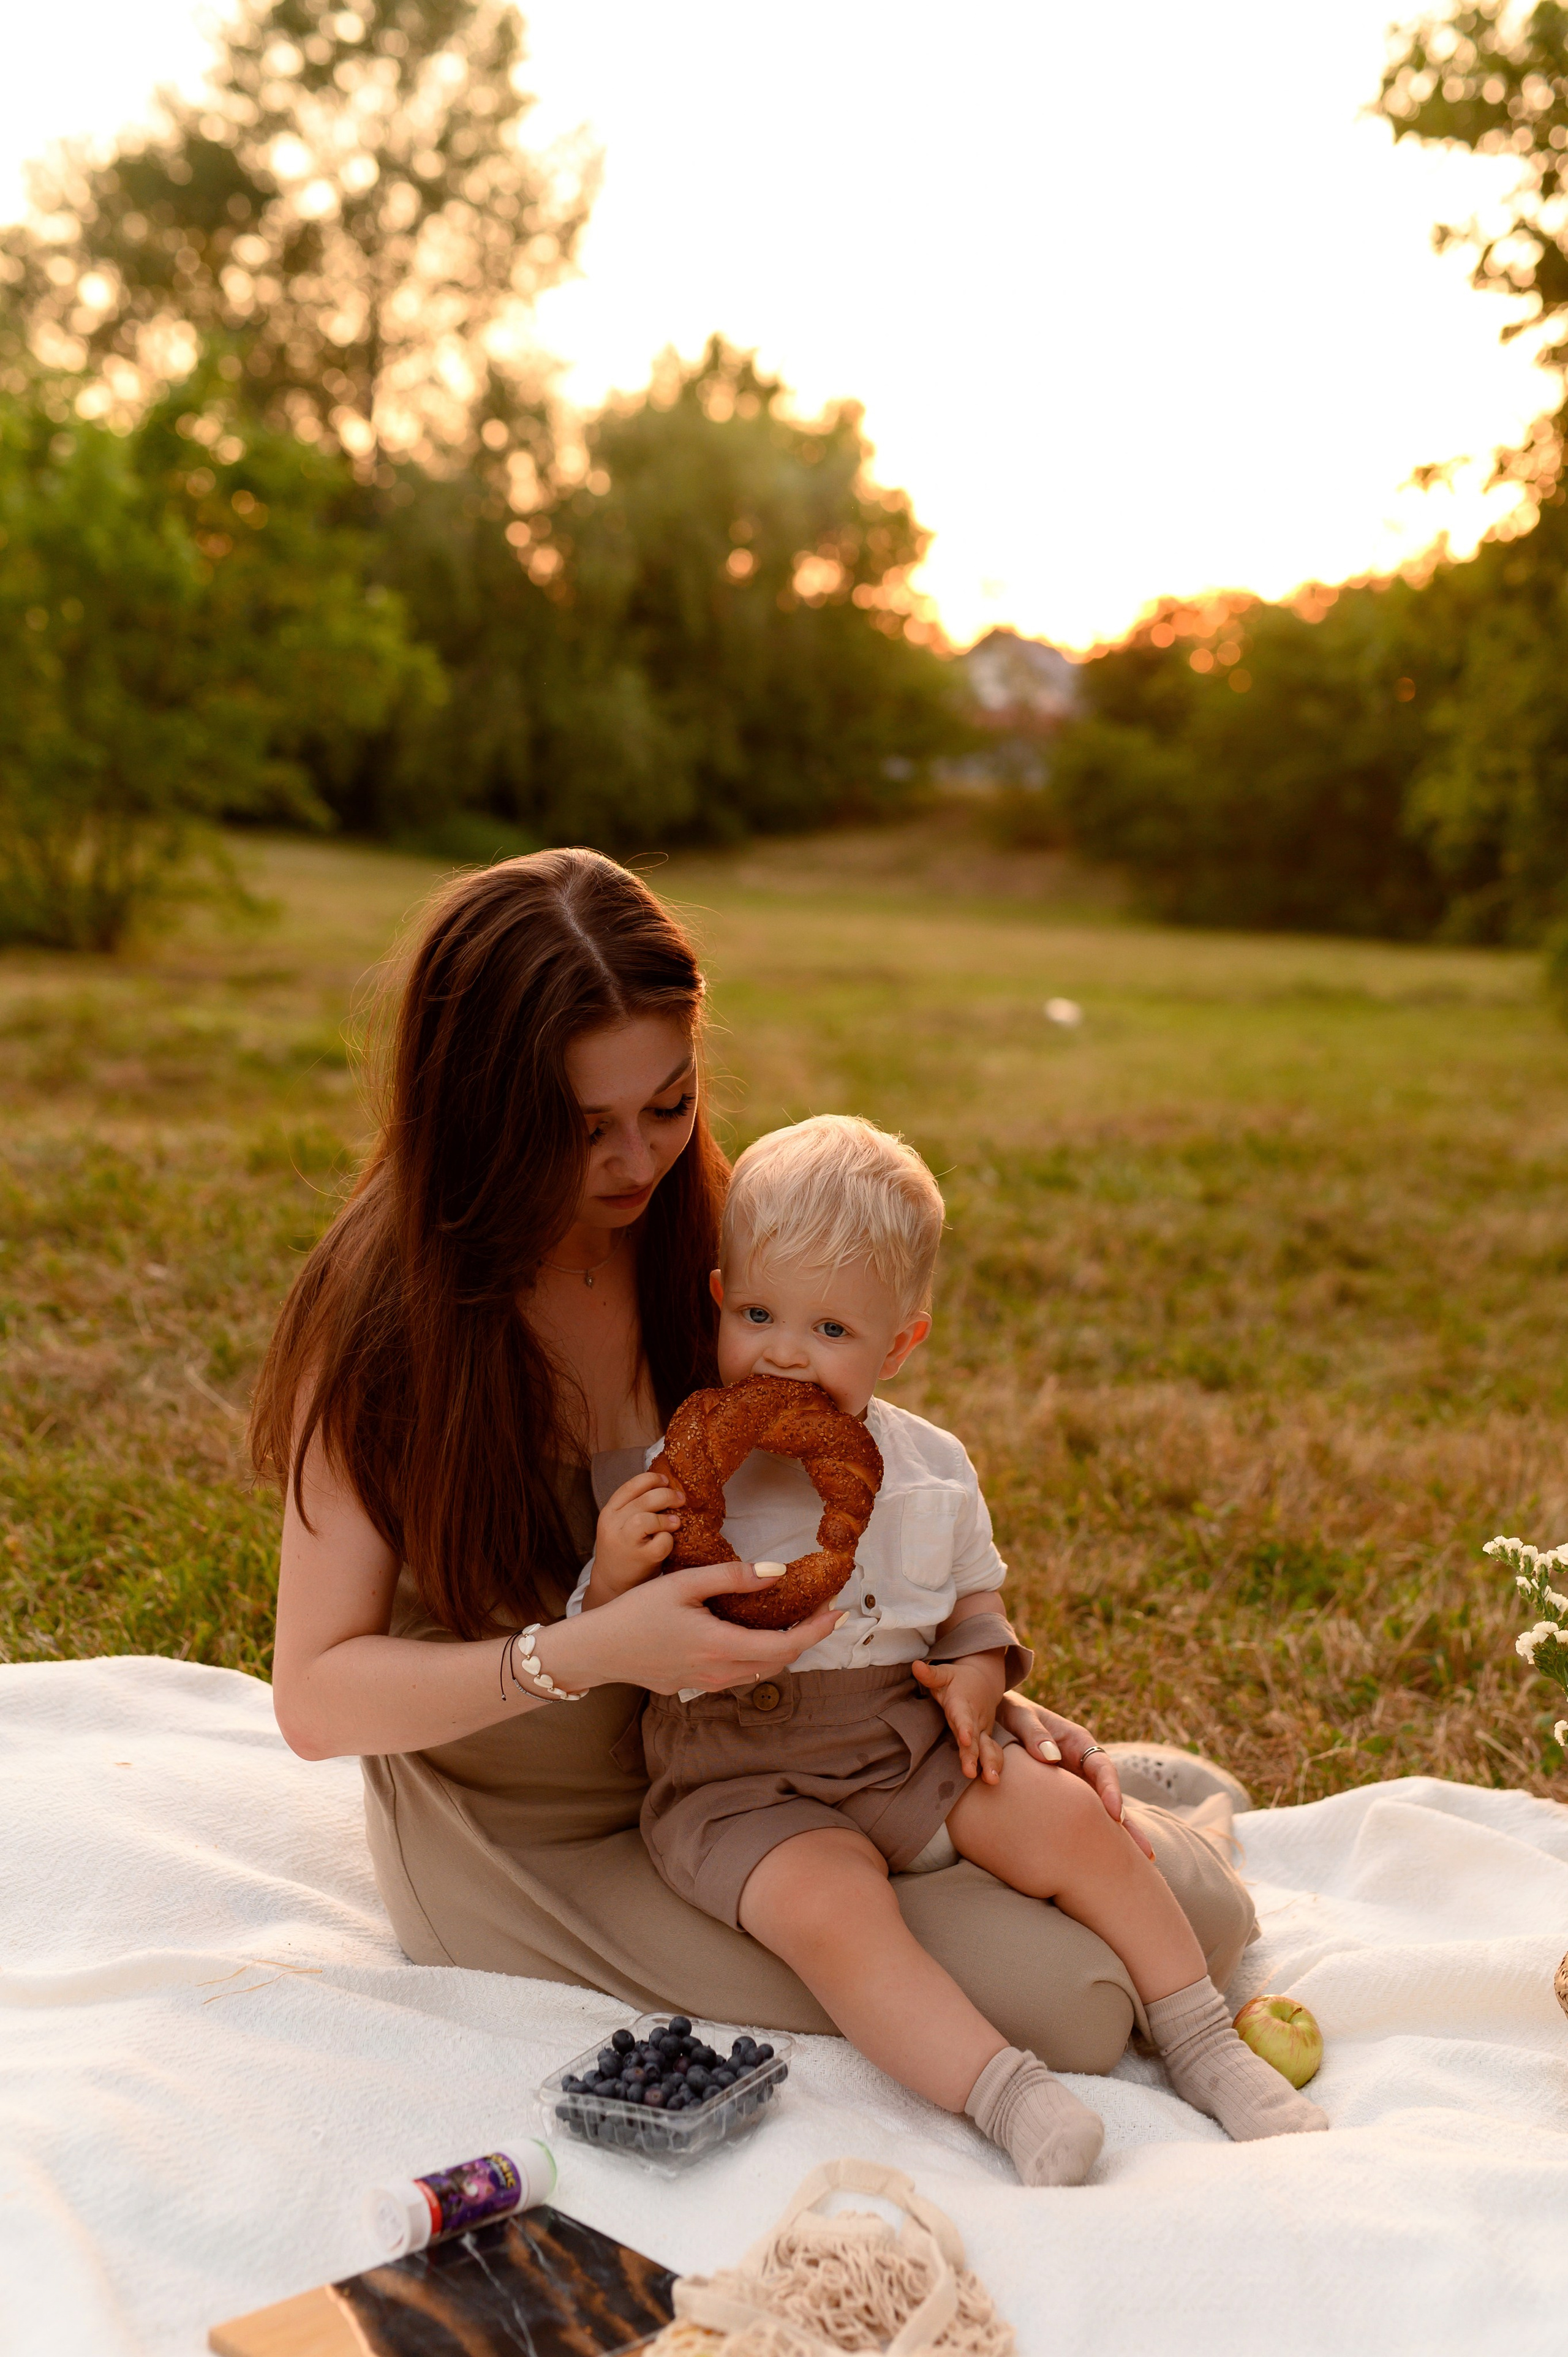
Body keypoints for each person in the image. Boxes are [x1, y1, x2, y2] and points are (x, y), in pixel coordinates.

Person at [252, 848, 1256, 2069]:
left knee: (1192, 1915)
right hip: (545, 1830)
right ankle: (1156, 1808)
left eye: (667, 1105)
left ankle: (1146, 1800)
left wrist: (966, 1672)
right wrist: (584, 1652)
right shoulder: (377, 1331)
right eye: (583, 1130)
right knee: (1082, 2004)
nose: (637, 1164)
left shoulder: (700, 1236)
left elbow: (827, 1516)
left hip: (779, 1753)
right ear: (479, 1115)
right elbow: (312, 1699)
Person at [572, 1115, 1325, 2182]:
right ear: (718, 1298)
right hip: (737, 1782)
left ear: (900, 1344)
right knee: (832, 1912)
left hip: (908, 1743)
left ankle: (1201, 2042)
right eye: (757, 1313)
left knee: (1069, 1816)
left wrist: (977, 1679)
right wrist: (614, 1567)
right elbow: (601, 1631)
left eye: (831, 1329)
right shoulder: (678, 1471)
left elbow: (977, 1606)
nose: (785, 1351)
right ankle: (1007, 2096)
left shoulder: (930, 1469)